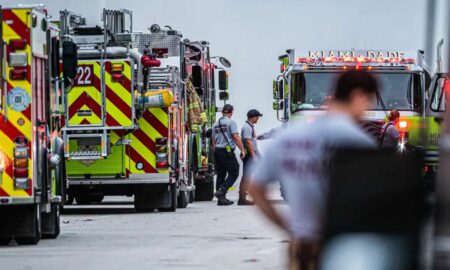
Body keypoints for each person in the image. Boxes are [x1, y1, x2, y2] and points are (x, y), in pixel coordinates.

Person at [249, 70, 378, 270]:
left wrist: (288, 227)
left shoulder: (288, 138)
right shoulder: (358, 141)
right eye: (370, 101)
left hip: (301, 246)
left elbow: (256, 189)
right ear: (358, 96)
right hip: (343, 248)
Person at [212, 104, 246, 206]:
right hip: (226, 150)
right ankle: (222, 191)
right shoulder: (231, 123)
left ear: (223, 112)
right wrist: (242, 150)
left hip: (217, 150)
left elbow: (213, 141)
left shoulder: (215, 124)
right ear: (231, 112)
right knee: (234, 171)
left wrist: (215, 152)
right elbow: (235, 137)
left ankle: (220, 200)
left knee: (221, 174)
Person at [238, 109, 263, 205]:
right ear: (253, 117)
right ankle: (242, 198)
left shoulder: (249, 126)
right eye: (257, 117)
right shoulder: (247, 127)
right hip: (251, 155)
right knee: (247, 176)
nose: (258, 119)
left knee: (251, 175)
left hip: (252, 153)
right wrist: (254, 156)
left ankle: (247, 195)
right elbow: (248, 142)